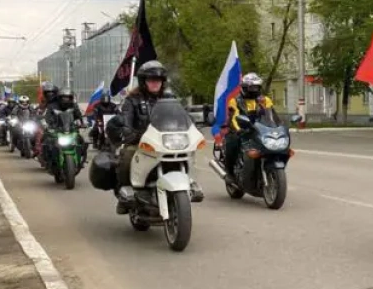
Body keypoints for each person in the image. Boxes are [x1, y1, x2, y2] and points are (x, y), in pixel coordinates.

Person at [114, 61, 203, 213]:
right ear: (143, 82)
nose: (155, 83)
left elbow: (183, 116)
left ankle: (189, 183)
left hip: (165, 141)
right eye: (151, 80)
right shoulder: (132, 100)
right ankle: (125, 193)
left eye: (158, 80)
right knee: (127, 155)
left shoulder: (170, 99)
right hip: (141, 141)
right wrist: (127, 130)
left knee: (188, 155)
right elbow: (126, 119)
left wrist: (191, 125)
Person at [223, 72, 274, 181]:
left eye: (257, 87)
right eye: (252, 87)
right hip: (241, 131)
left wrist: (276, 126)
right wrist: (238, 130)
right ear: (245, 88)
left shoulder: (265, 100)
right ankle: (230, 173)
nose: (255, 90)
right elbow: (233, 118)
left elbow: (271, 115)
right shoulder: (235, 101)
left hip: (259, 129)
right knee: (232, 143)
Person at [43, 88, 88, 167]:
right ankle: (48, 160)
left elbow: (79, 115)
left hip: (70, 129)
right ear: (59, 98)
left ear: (71, 98)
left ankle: (82, 159)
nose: (65, 100)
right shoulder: (52, 106)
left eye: (67, 97)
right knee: (47, 141)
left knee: (82, 141)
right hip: (57, 129)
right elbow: (47, 117)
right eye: (63, 97)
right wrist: (47, 124)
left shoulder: (74, 106)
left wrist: (82, 123)